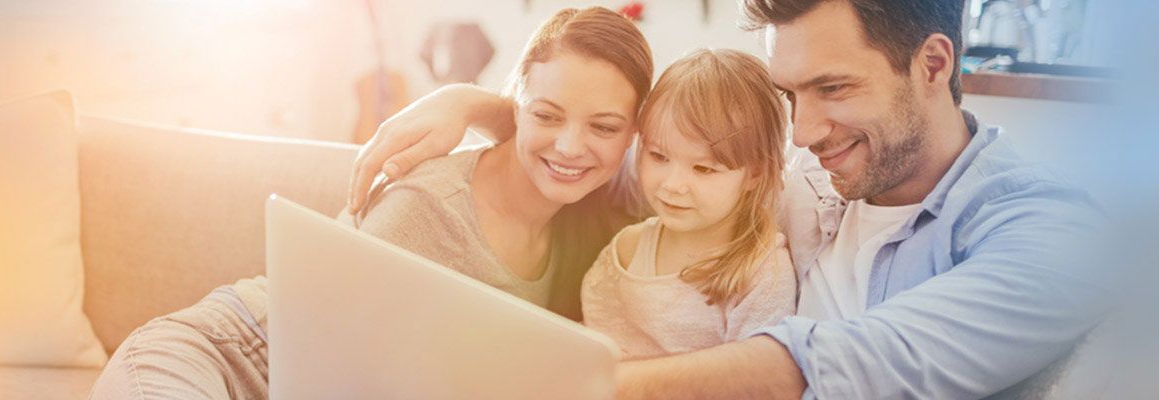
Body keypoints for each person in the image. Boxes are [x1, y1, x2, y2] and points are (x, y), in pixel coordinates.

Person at [349, 0, 1110, 397]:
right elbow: (615, 161)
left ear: (934, 63)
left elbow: (867, 363)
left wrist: (581, 383)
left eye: (834, 89)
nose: (805, 129)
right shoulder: (800, 175)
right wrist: (482, 107)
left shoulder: (1045, 230)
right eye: (790, 95)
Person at [89, 7, 652, 399]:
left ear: (632, 136)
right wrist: (468, 103)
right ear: (515, 106)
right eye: (546, 115)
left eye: (603, 126)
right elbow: (337, 375)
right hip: (229, 354)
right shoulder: (427, 204)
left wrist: (468, 105)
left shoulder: (600, 216)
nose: (572, 146)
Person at [579, 48, 796, 359]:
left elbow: (756, 379)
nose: (672, 185)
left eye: (704, 169)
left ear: (755, 173)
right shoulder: (626, 251)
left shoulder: (762, 273)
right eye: (658, 156)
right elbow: (589, 354)